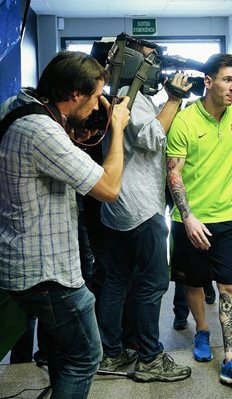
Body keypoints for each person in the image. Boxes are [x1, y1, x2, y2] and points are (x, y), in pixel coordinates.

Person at [0, 51, 130, 398]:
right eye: (94, 97)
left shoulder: (19, 105)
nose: (97, 106)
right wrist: (116, 127)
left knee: (60, 348)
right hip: (48, 274)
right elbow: (109, 188)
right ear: (74, 94)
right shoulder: (41, 130)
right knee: (86, 355)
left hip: (23, 263)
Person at [96, 42, 192, 382]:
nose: (157, 63)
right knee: (153, 285)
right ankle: (150, 359)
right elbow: (152, 138)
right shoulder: (127, 94)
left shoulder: (126, 93)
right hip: (140, 208)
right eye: (152, 57)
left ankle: (111, 352)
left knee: (117, 281)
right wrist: (175, 99)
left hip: (117, 209)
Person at [167, 53, 232, 387]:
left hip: (225, 218)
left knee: (230, 285)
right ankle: (202, 332)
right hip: (188, 219)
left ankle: (231, 356)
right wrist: (188, 218)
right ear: (208, 82)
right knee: (193, 283)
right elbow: (173, 173)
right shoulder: (184, 120)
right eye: (227, 80)